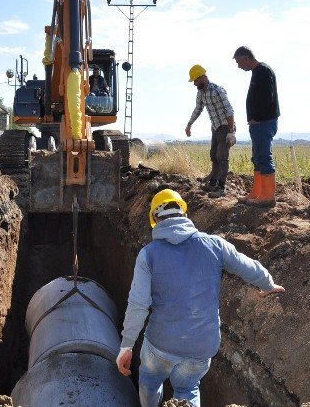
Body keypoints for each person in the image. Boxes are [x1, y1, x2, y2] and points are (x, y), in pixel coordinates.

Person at [116, 189, 285, 407]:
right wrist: (268, 284)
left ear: (154, 220)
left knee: (149, 380)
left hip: (160, 345)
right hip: (201, 347)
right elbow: (248, 267)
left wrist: (126, 346)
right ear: (185, 216)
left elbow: (138, 305)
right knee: (187, 388)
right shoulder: (215, 245)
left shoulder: (148, 254)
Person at [233, 46, 280, 207]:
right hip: (260, 123)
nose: (239, 66)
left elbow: (267, 98)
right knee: (258, 158)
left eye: (239, 62)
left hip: (264, 123)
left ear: (245, 58)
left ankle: (268, 197)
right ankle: (257, 193)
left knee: (264, 157)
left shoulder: (263, 71)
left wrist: (257, 118)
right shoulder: (258, 72)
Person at [185, 64, 237, 198]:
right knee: (214, 155)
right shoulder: (200, 93)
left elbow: (229, 111)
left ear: (202, 77)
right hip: (215, 127)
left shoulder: (217, 90)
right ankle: (212, 183)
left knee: (222, 156)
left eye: (196, 80)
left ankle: (221, 187)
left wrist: (231, 132)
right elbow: (198, 109)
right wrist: (189, 124)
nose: (195, 84)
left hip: (226, 127)